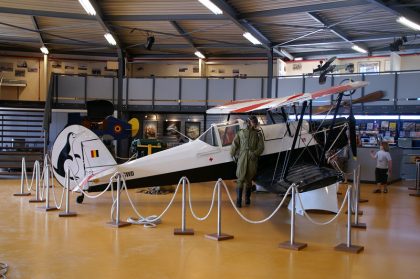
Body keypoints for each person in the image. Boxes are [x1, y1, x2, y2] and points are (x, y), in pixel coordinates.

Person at [230, 115, 264, 208]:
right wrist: (232, 154)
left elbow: (261, 147)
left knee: (249, 180)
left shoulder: (258, 134)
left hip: (252, 158)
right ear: (249, 122)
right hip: (242, 157)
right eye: (254, 122)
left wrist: (254, 154)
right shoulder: (240, 133)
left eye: (255, 122)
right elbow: (235, 144)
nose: (255, 124)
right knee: (240, 179)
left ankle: (247, 199)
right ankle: (238, 200)